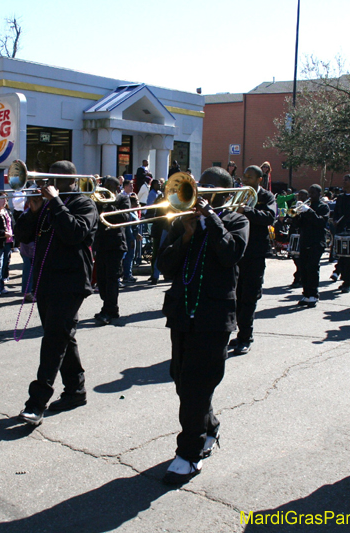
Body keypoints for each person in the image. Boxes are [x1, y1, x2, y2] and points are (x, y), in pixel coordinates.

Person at [156, 166, 249, 485]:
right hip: (182, 312)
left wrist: (212, 220)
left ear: (224, 192)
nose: (201, 191)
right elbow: (165, 267)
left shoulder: (237, 220)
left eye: (209, 188)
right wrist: (186, 234)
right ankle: (208, 426)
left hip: (213, 316)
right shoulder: (183, 220)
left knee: (198, 383)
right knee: (182, 380)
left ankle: (188, 455)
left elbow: (231, 254)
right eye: (199, 186)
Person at [15, 160, 97, 426]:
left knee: (53, 339)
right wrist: (32, 211)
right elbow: (23, 236)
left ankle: (36, 402)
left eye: (55, 179)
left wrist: (56, 203)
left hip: (71, 283)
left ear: (70, 180)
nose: (48, 184)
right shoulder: (46, 205)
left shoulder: (84, 203)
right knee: (63, 337)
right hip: (46, 282)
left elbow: (75, 233)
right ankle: (75, 391)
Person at [231, 165, 276, 355]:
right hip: (237, 251)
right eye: (245, 176)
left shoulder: (267, 197)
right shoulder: (238, 193)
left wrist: (247, 211)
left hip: (255, 253)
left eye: (250, 177)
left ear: (259, 179)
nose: (245, 179)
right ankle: (239, 331)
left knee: (249, 296)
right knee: (236, 296)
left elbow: (270, 218)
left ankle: (246, 337)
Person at [94, 176, 129, 325]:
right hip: (101, 244)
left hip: (115, 244)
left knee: (111, 279)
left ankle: (108, 310)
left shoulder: (122, 199)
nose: (106, 188)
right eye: (104, 185)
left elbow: (125, 217)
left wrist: (109, 204)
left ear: (116, 187)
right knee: (101, 280)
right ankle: (111, 308)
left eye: (109, 186)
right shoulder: (96, 199)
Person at [291, 184, 330, 307]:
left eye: (313, 193)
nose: (310, 196)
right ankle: (306, 294)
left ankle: (313, 295)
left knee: (312, 268)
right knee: (303, 268)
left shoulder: (323, 207)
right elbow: (298, 225)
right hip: (305, 240)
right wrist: (296, 214)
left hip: (317, 241)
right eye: (309, 193)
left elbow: (321, 222)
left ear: (319, 194)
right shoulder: (305, 207)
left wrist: (309, 211)